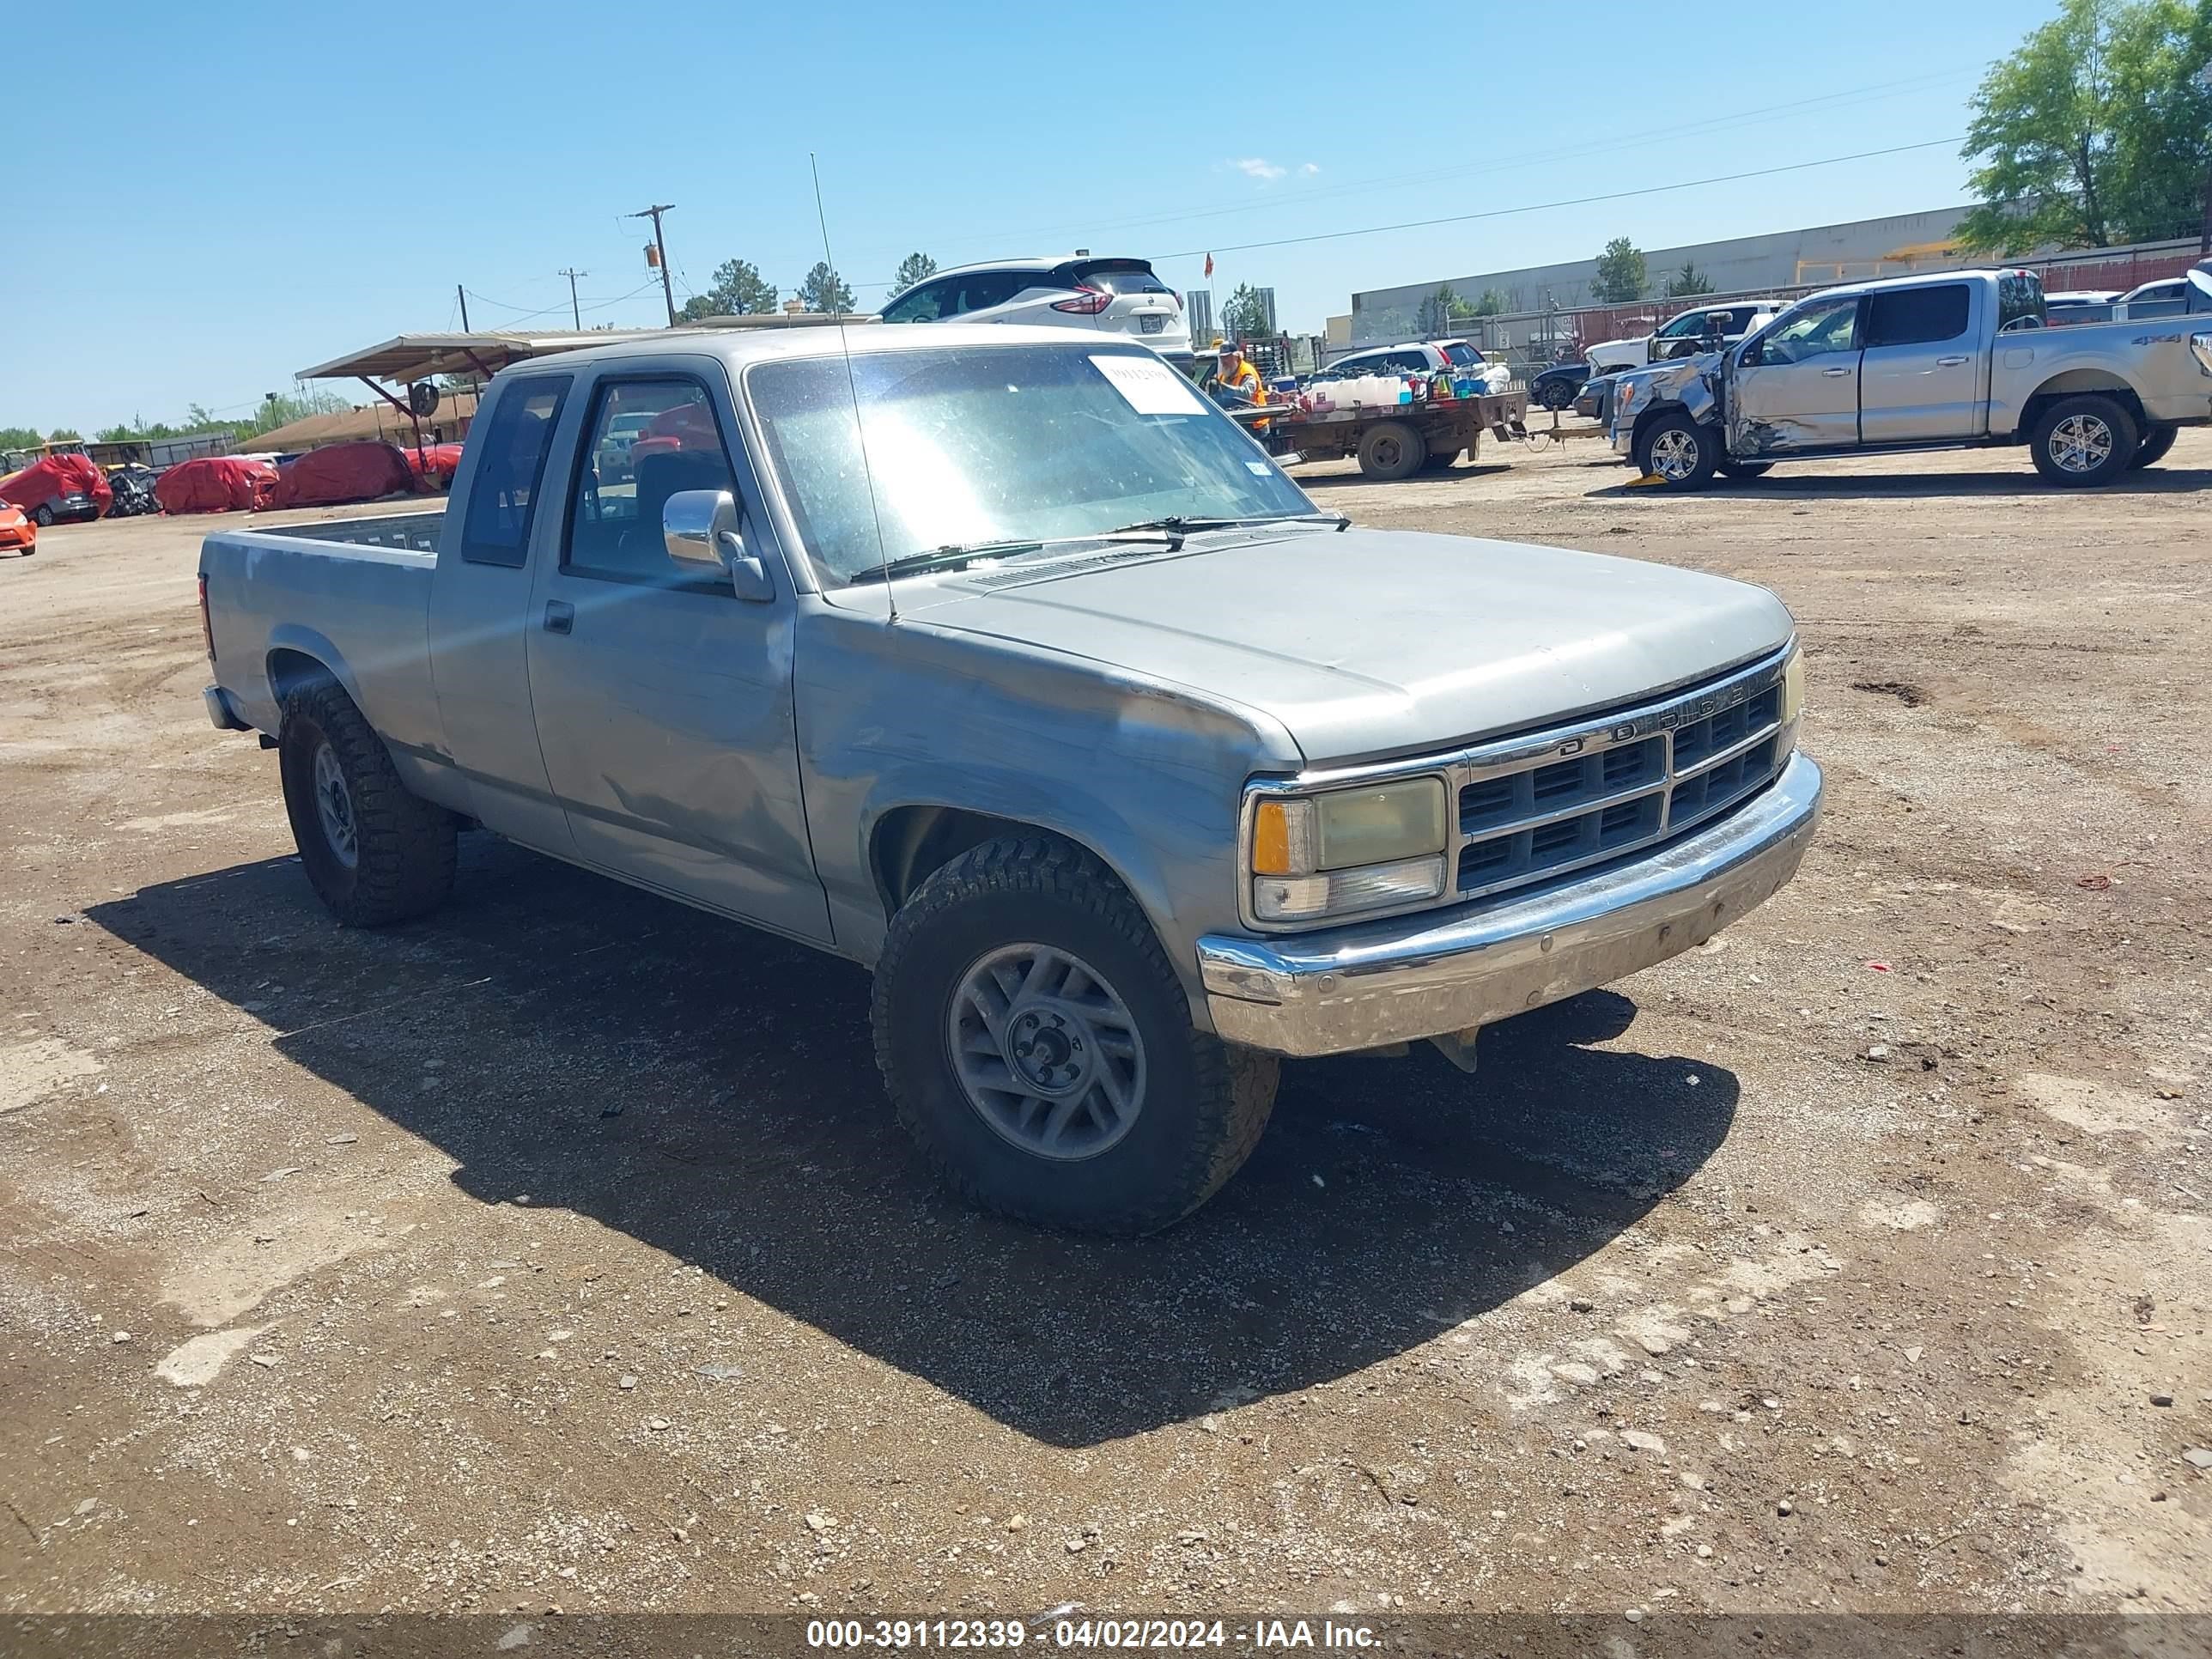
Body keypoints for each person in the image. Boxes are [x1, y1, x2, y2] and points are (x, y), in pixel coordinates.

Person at [1211, 339, 1267, 409]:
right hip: (1238, 414)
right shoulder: (1223, 375)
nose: (1223, 361)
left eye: (1227, 357)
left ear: (1236, 357)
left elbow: (1246, 393)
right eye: (1222, 358)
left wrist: (1224, 387)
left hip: (1256, 416)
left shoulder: (1246, 371)